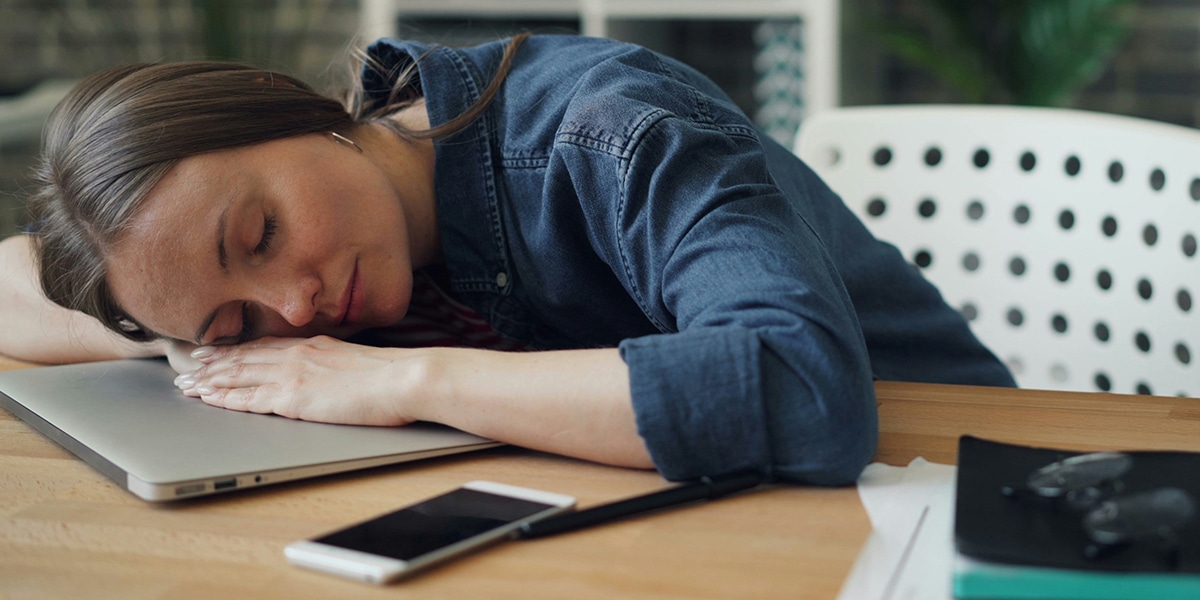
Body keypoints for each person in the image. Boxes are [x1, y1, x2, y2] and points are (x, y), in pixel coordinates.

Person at [0, 33, 1015, 486]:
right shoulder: (285, 283)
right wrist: (195, 341)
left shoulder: (610, 129)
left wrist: (397, 377)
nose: (297, 304)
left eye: (258, 236)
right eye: (241, 321)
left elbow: (798, 391)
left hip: (946, 489)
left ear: (288, 100)